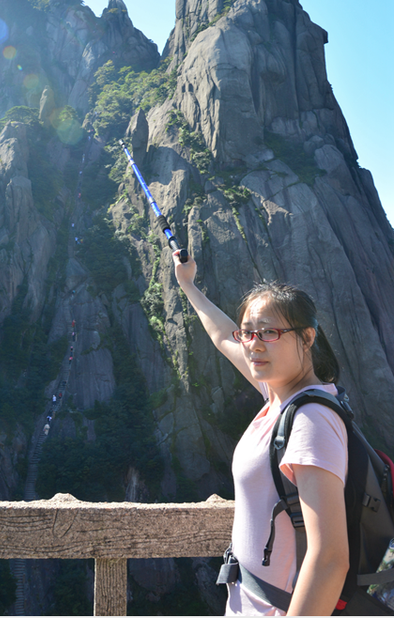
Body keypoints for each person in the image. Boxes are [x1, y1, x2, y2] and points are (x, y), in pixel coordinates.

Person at [172, 251, 348, 617]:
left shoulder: (310, 421)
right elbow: (223, 336)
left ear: (307, 336)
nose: (253, 343)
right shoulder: (279, 395)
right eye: (249, 332)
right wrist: (188, 284)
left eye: (269, 332)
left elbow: (330, 559)